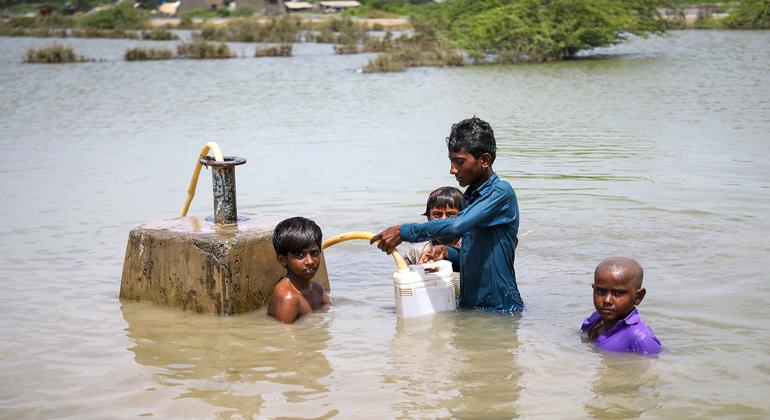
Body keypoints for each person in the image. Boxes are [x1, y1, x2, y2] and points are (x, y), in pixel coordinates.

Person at [371, 117, 523, 312]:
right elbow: (475, 260)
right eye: (451, 161)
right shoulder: (470, 197)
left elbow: (454, 227)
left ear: (485, 160)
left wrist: (403, 231)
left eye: (459, 162)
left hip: (501, 311)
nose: (452, 170)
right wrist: (446, 253)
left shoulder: (501, 193)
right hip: (470, 309)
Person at [581, 257, 661, 354]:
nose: (607, 300)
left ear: (638, 297)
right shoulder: (595, 318)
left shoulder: (641, 339)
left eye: (618, 292)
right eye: (600, 291)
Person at [268, 217, 331, 324]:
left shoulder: (318, 289)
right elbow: (282, 338)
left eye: (314, 253)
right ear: (283, 260)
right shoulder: (288, 298)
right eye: (300, 255)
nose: (310, 261)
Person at [402, 186, 464, 265]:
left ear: (463, 217)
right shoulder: (416, 251)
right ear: (428, 217)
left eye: (451, 214)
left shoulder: (469, 247)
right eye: (437, 214)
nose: (443, 220)